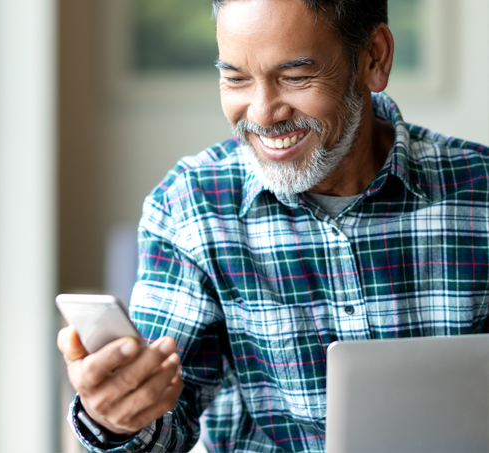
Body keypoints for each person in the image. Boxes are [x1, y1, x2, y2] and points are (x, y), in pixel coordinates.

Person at [57, 0, 489, 451]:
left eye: (295, 77)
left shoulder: (480, 193)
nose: (263, 114)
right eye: (236, 78)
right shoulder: (192, 205)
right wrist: (117, 418)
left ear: (374, 58)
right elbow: (164, 426)